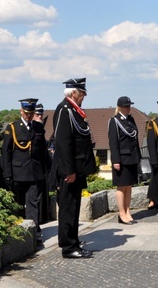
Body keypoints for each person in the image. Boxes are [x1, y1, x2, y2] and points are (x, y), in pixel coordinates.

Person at [53, 78, 97, 259]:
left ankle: (71, 240)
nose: (83, 98)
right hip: (69, 170)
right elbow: (63, 143)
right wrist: (69, 170)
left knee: (74, 206)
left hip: (77, 168)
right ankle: (69, 247)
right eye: (81, 94)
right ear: (73, 93)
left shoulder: (74, 111)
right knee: (68, 208)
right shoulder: (64, 110)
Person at [2, 98, 48, 245]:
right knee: (18, 204)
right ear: (21, 112)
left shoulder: (38, 128)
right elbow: (6, 153)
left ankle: (34, 233)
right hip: (18, 173)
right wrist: (7, 173)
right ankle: (18, 234)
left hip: (34, 173)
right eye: (27, 113)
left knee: (33, 204)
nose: (29, 116)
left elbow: (42, 152)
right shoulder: (13, 128)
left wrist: (46, 170)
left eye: (31, 113)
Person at [108, 96, 141, 225]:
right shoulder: (114, 121)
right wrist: (116, 160)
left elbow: (134, 139)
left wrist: (138, 156)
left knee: (129, 186)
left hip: (132, 157)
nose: (128, 108)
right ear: (120, 107)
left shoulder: (131, 119)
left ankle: (127, 211)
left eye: (129, 106)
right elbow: (113, 142)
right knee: (121, 187)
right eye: (126, 106)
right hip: (121, 158)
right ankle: (121, 214)